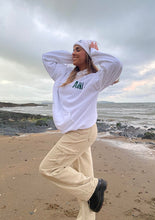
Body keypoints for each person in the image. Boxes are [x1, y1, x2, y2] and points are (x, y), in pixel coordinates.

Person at [39, 40, 122, 220]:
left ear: (88, 54)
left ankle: (94, 186)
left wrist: (94, 53)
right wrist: (75, 55)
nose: (73, 53)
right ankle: (88, 209)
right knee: (83, 184)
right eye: (72, 50)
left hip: (83, 132)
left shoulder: (95, 79)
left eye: (78, 50)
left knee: (49, 168)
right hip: (73, 132)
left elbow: (115, 64)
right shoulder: (63, 74)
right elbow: (47, 58)